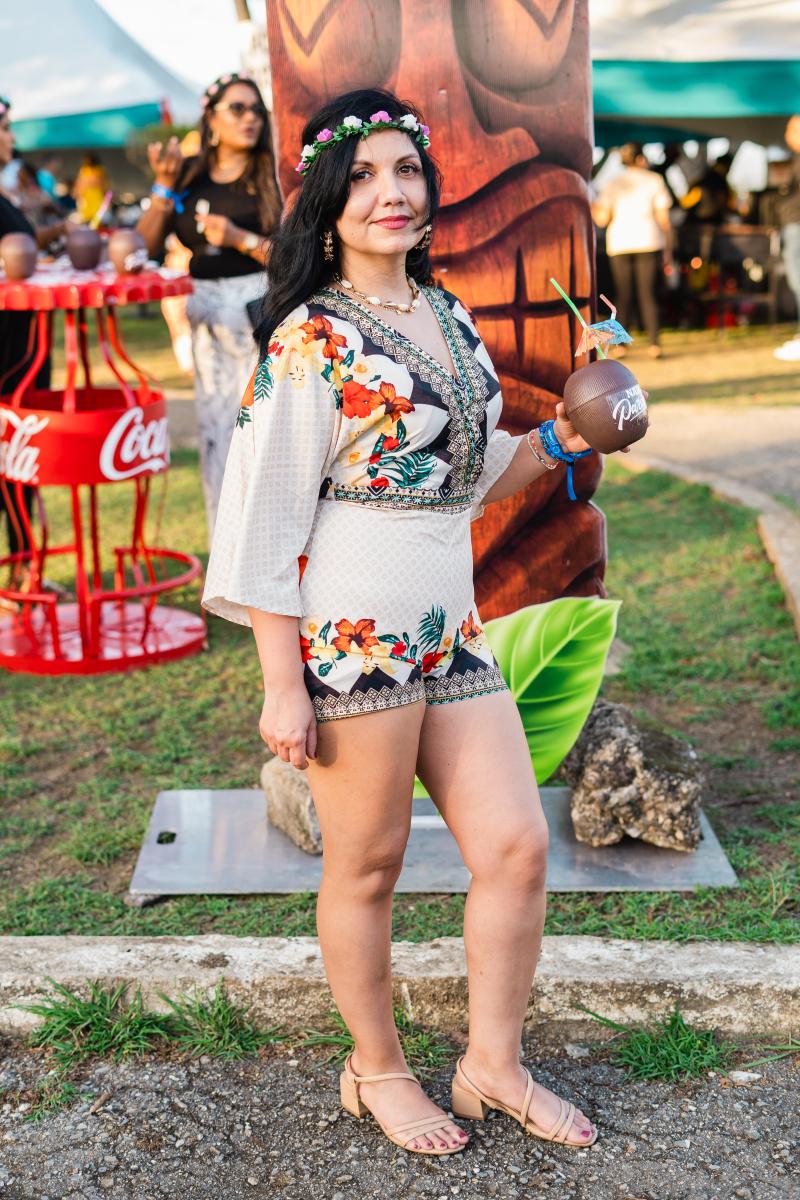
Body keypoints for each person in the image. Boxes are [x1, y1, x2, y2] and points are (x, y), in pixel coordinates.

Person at [202, 88, 613, 1157]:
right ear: (327, 201)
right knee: (369, 866)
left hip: (448, 632)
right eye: (364, 176)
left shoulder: (448, 316)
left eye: (406, 171)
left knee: (516, 846)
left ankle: (491, 1066)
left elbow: (467, 481)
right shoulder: (309, 340)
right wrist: (282, 683)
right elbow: (261, 523)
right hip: (352, 641)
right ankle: (374, 1068)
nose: (391, 193)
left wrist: (563, 437)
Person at [138, 73, 281, 539]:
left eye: (256, 110)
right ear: (212, 118)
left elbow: (297, 259)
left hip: (262, 319)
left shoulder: (273, 175)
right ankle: (226, 553)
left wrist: (240, 239)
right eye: (237, 108)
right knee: (217, 435)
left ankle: (271, 551)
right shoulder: (188, 174)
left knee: (262, 438)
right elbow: (143, 248)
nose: (249, 118)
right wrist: (164, 183)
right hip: (206, 322)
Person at [0, 97, 72, 590]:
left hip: (22, 346)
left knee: (18, 461)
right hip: (7, 349)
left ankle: (24, 573)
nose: (11, 138)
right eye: (5, 128)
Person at [592, 143, 672, 358]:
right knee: (648, 294)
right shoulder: (654, 180)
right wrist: (669, 248)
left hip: (620, 242)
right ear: (641, 159)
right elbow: (663, 219)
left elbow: (602, 219)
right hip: (649, 241)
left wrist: (590, 202)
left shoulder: (613, 183)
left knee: (623, 295)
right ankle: (654, 344)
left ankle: (620, 345)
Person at [774, 115, 800, 362]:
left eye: (791, 130)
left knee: (797, 278)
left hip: (796, 223)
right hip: (793, 222)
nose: (787, 135)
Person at [73, 152, 110, 225]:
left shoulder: (100, 170)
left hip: (96, 198)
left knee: (97, 220)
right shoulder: (84, 170)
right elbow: (80, 184)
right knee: (86, 220)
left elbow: (104, 185)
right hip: (87, 198)